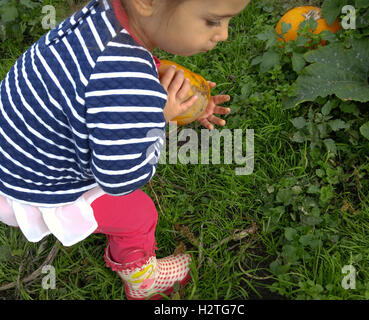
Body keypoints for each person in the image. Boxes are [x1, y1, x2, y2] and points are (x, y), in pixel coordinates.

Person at [0, 0, 250, 300]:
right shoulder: (127, 85)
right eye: (213, 21)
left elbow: (110, 76)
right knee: (138, 213)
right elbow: (120, 180)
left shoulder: (101, 14)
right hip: (34, 181)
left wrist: (182, 102)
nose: (223, 34)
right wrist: (158, 119)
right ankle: (142, 280)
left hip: (16, 143)